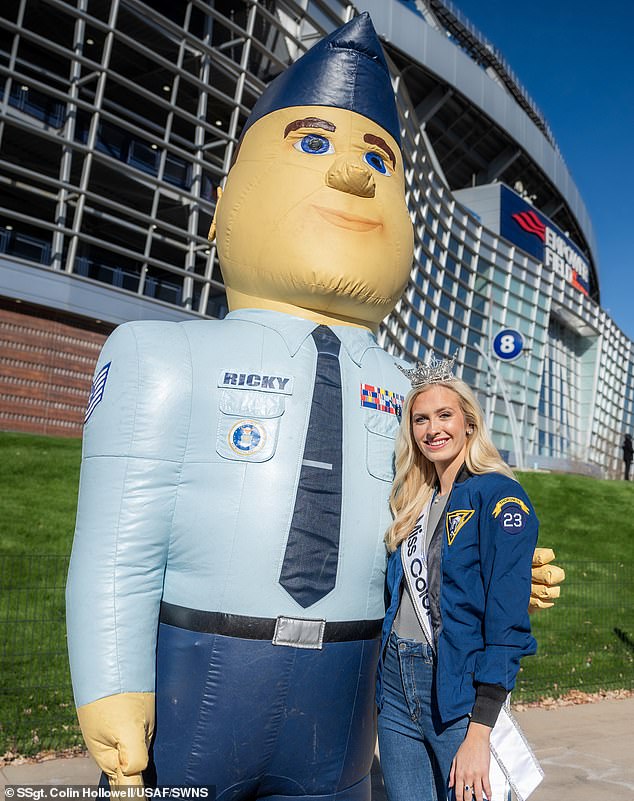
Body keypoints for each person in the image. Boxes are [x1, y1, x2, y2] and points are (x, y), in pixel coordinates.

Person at [66, 13, 562, 798]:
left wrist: (489, 560)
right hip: (200, 674)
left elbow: (420, 516)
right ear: (226, 200)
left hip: (350, 691)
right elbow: (116, 546)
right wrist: (110, 680)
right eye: (312, 143)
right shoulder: (158, 356)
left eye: (378, 158)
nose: (356, 175)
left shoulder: (411, 393)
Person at [377, 355, 540, 801]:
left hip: (457, 692)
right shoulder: (412, 499)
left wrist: (480, 730)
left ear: (469, 422)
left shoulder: (499, 494)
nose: (433, 429)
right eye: (421, 419)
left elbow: (506, 624)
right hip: (394, 686)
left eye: (444, 415)